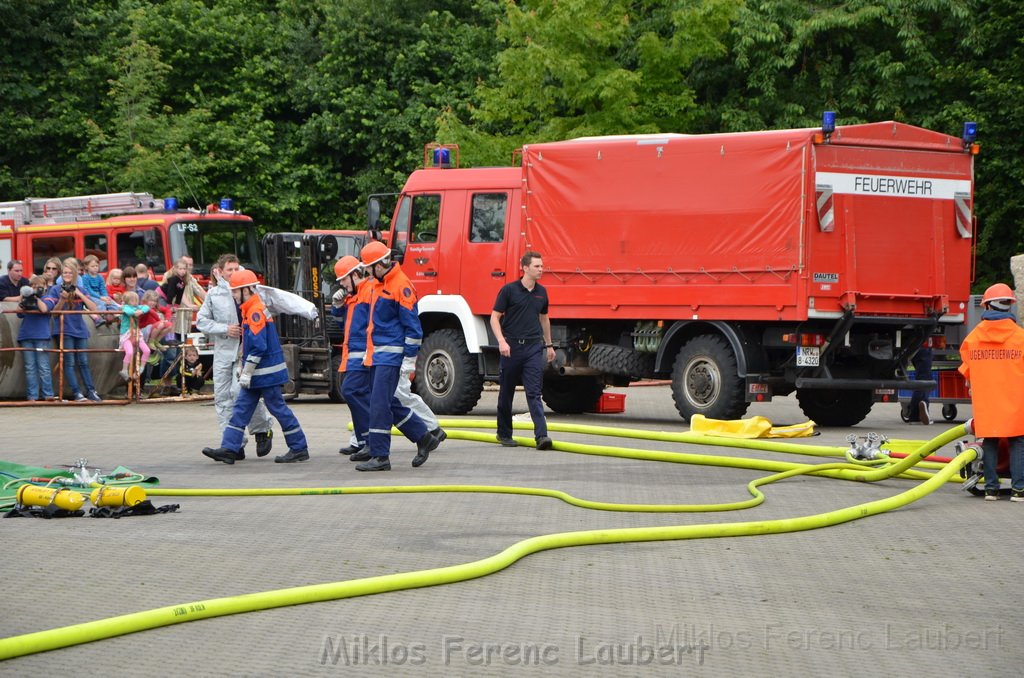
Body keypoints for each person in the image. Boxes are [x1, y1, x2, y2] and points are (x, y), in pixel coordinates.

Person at [201, 270, 308, 464]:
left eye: (235, 291)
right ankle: (229, 448)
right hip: (260, 373)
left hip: (265, 373)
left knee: (277, 408)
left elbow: (259, 346)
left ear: (246, 290)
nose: (233, 295)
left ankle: (299, 447)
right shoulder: (249, 308)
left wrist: (247, 371)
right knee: (241, 409)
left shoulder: (255, 310)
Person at [350, 241, 440, 471]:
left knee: (379, 405)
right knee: (388, 402)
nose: (367, 273)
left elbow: (414, 329)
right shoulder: (380, 284)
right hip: (377, 356)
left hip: (390, 357)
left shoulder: (401, 286)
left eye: (369, 268)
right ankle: (424, 437)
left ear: (381, 264)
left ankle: (381, 456)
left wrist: (409, 362)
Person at [196, 253, 273, 458]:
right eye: (229, 270)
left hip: (244, 352)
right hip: (223, 352)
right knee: (222, 398)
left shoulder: (250, 290)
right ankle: (233, 445)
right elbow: (201, 321)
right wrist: (223, 329)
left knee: (241, 393)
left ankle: (261, 429)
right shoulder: (214, 294)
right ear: (220, 272)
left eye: (236, 268)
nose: (233, 273)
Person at [958, 282, 1024, 502]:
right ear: (1010, 307)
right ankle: (1018, 490)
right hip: (1015, 402)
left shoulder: (973, 339)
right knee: (1017, 441)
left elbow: (966, 370)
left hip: (987, 402)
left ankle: (991, 489)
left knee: (990, 442)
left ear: (986, 306)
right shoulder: (1020, 338)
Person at [490, 251, 555, 450]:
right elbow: (494, 317)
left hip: (534, 347)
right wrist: (502, 341)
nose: (541, 269)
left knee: (534, 392)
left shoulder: (542, 292)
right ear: (525, 268)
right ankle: (504, 434)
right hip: (512, 348)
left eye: (542, 266)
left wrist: (549, 345)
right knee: (506, 391)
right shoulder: (509, 290)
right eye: (537, 266)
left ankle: (541, 436)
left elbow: (544, 319)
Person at [43, 257, 102, 402]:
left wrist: (80, 294)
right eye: (65, 273)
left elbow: (94, 308)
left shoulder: (80, 289)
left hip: (80, 328)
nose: (67, 275)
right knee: (69, 362)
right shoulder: (56, 290)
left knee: (83, 362)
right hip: (64, 329)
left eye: (70, 273)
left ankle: (91, 390)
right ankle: (77, 392)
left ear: (74, 274)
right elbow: (54, 314)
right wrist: (62, 299)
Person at [331, 256, 373, 455]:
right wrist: (338, 306)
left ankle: (425, 432)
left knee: (351, 391)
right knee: (353, 393)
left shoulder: (367, 293)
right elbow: (344, 325)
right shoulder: (354, 296)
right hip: (354, 354)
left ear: (355, 274)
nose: (341, 284)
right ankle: (361, 440)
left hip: (363, 355)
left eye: (344, 280)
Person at [17, 274, 56, 401]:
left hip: (41, 337)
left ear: (45, 287)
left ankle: (48, 394)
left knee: (43, 366)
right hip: (26, 336)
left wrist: (36, 298)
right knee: (30, 367)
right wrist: (24, 299)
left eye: (39, 287)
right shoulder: (27, 299)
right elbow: (18, 313)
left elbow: (44, 310)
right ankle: (32, 395)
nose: (35, 289)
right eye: (33, 286)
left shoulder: (48, 298)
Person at [116, 291, 150, 381]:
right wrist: (137, 312)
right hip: (127, 335)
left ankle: (141, 368)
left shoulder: (136, 307)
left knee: (147, 350)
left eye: (136, 300)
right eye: (133, 300)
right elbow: (130, 312)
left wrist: (141, 310)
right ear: (127, 301)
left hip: (136, 334)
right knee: (130, 352)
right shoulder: (125, 307)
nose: (135, 302)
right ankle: (124, 370)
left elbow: (147, 307)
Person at [80, 254, 119, 326]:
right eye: (92, 266)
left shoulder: (100, 277)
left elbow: (102, 288)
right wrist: (101, 297)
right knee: (101, 303)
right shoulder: (85, 277)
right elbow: (88, 290)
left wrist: (106, 297)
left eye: (96, 266)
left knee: (111, 302)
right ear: (86, 267)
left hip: (100, 295)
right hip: (90, 295)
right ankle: (104, 315)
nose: (95, 268)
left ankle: (113, 314)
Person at [908, 346, 934, 425]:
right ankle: (917, 413)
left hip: (909, 345)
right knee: (925, 379)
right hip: (922, 344)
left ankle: (914, 413)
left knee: (921, 377)